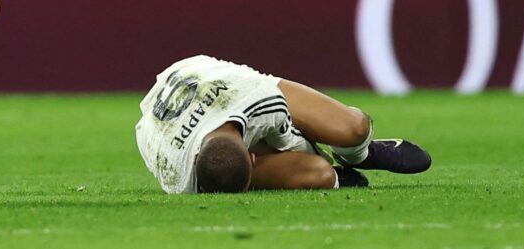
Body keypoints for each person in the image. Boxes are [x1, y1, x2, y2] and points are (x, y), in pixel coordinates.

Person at [136, 55, 431, 194]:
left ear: (252, 156)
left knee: (352, 129)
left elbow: (302, 146)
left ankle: (359, 154)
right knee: (321, 177)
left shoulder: (262, 100)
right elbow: (315, 171)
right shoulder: (179, 178)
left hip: (212, 79)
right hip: (160, 120)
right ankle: (244, 176)